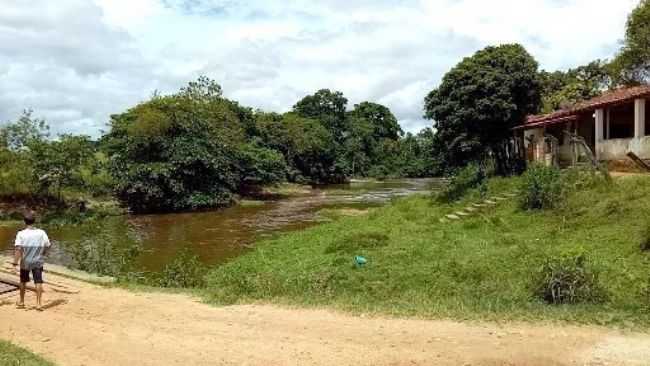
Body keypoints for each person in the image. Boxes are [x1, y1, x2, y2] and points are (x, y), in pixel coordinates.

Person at [13, 211, 51, 310]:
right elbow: (48, 245)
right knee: (38, 281)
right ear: (34, 221)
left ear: (24, 222)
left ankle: (21, 302)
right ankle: (38, 304)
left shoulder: (21, 233)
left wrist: (15, 263)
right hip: (37, 261)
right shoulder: (41, 232)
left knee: (23, 281)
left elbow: (18, 249)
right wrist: (43, 254)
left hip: (25, 262)